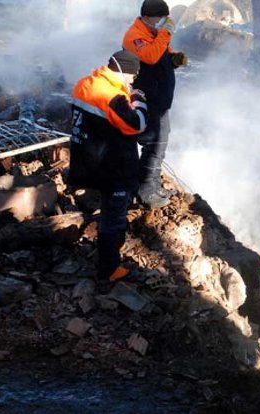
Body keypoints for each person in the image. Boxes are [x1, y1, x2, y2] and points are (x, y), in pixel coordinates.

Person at [69, 50, 148, 282]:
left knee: (110, 212)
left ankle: (114, 245)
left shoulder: (84, 83)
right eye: (132, 77)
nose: (133, 81)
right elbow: (138, 124)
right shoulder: (113, 97)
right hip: (112, 168)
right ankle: (109, 268)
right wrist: (139, 100)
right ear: (123, 71)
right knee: (113, 217)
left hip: (87, 162)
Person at [122, 0, 188, 208]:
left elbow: (161, 54)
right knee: (154, 144)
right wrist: (166, 32)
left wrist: (174, 59)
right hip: (146, 99)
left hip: (159, 98)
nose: (164, 22)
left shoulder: (153, 33)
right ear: (148, 17)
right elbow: (150, 57)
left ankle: (151, 183)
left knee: (160, 144)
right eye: (161, 18)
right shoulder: (134, 36)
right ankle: (146, 190)